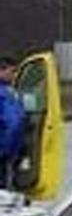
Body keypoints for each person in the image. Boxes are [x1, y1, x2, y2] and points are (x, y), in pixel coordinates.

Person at [0, 55, 26, 189]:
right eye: (12, 71)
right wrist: (11, 151)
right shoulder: (5, 94)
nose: (14, 75)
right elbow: (14, 124)